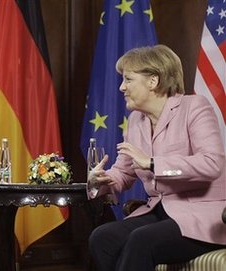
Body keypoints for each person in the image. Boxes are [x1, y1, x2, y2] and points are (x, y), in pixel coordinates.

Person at [87, 44, 226, 271]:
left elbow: (212, 164)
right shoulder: (135, 121)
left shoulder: (195, 107)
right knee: (102, 238)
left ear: (153, 81)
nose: (122, 87)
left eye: (128, 80)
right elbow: (123, 171)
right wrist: (102, 179)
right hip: (159, 212)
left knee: (141, 241)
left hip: (202, 216)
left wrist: (153, 163)